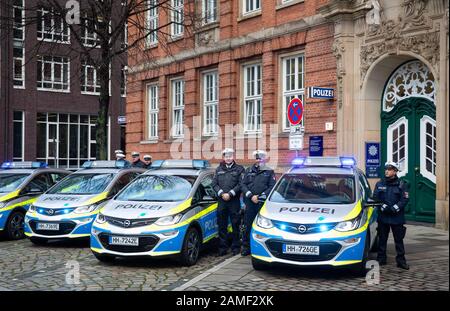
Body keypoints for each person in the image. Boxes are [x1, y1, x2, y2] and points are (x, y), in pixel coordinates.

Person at [373, 161, 410, 270]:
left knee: (398, 240)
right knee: (382, 239)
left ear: (395, 171)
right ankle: (381, 259)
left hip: (397, 217)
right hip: (383, 217)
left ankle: (401, 261)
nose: (386, 171)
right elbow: (376, 197)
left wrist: (396, 207)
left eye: (389, 169)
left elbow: (405, 199)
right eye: (386, 169)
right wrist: (382, 206)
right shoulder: (380, 184)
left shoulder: (401, 184)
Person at [240, 150, 276, 256]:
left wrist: (259, 196)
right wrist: (251, 196)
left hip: (262, 203)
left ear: (264, 159)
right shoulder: (248, 170)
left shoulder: (269, 171)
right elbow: (243, 185)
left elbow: (272, 187)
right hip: (250, 202)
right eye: (257, 158)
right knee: (247, 225)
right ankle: (246, 248)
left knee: (262, 226)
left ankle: (261, 248)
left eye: (260, 158)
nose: (258, 160)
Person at [212, 148, 245, 256]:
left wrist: (230, 193)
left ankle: (236, 248)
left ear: (233, 157)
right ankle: (222, 249)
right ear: (223, 157)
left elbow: (241, 184)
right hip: (222, 201)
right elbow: (214, 184)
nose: (228, 158)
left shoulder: (239, 169)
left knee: (235, 225)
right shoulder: (218, 169)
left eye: (230, 156)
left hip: (234, 201)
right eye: (226, 156)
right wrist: (221, 193)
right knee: (222, 225)